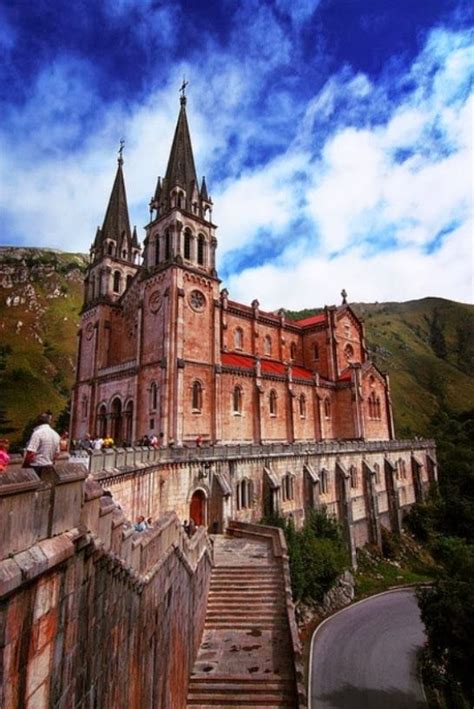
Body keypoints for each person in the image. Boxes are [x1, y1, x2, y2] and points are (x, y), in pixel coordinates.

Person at [23, 412, 60, 478]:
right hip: (49, 466)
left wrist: (25, 467)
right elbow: (56, 455)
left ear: (38, 421)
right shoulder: (56, 434)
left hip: (37, 466)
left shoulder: (37, 433)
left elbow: (31, 453)